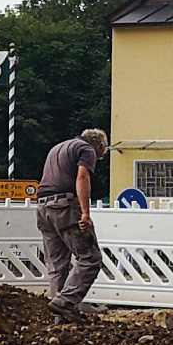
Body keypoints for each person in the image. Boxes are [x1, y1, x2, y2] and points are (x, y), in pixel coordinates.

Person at [36, 128, 108, 318]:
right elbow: (82, 177)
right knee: (90, 258)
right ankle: (65, 302)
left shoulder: (58, 148)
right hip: (64, 207)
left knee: (57, 264)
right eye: (100, 156)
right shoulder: (86, 149)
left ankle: (58, 315)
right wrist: (85, 213)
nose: (97, 159)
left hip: (43, 208)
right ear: (98, 145)